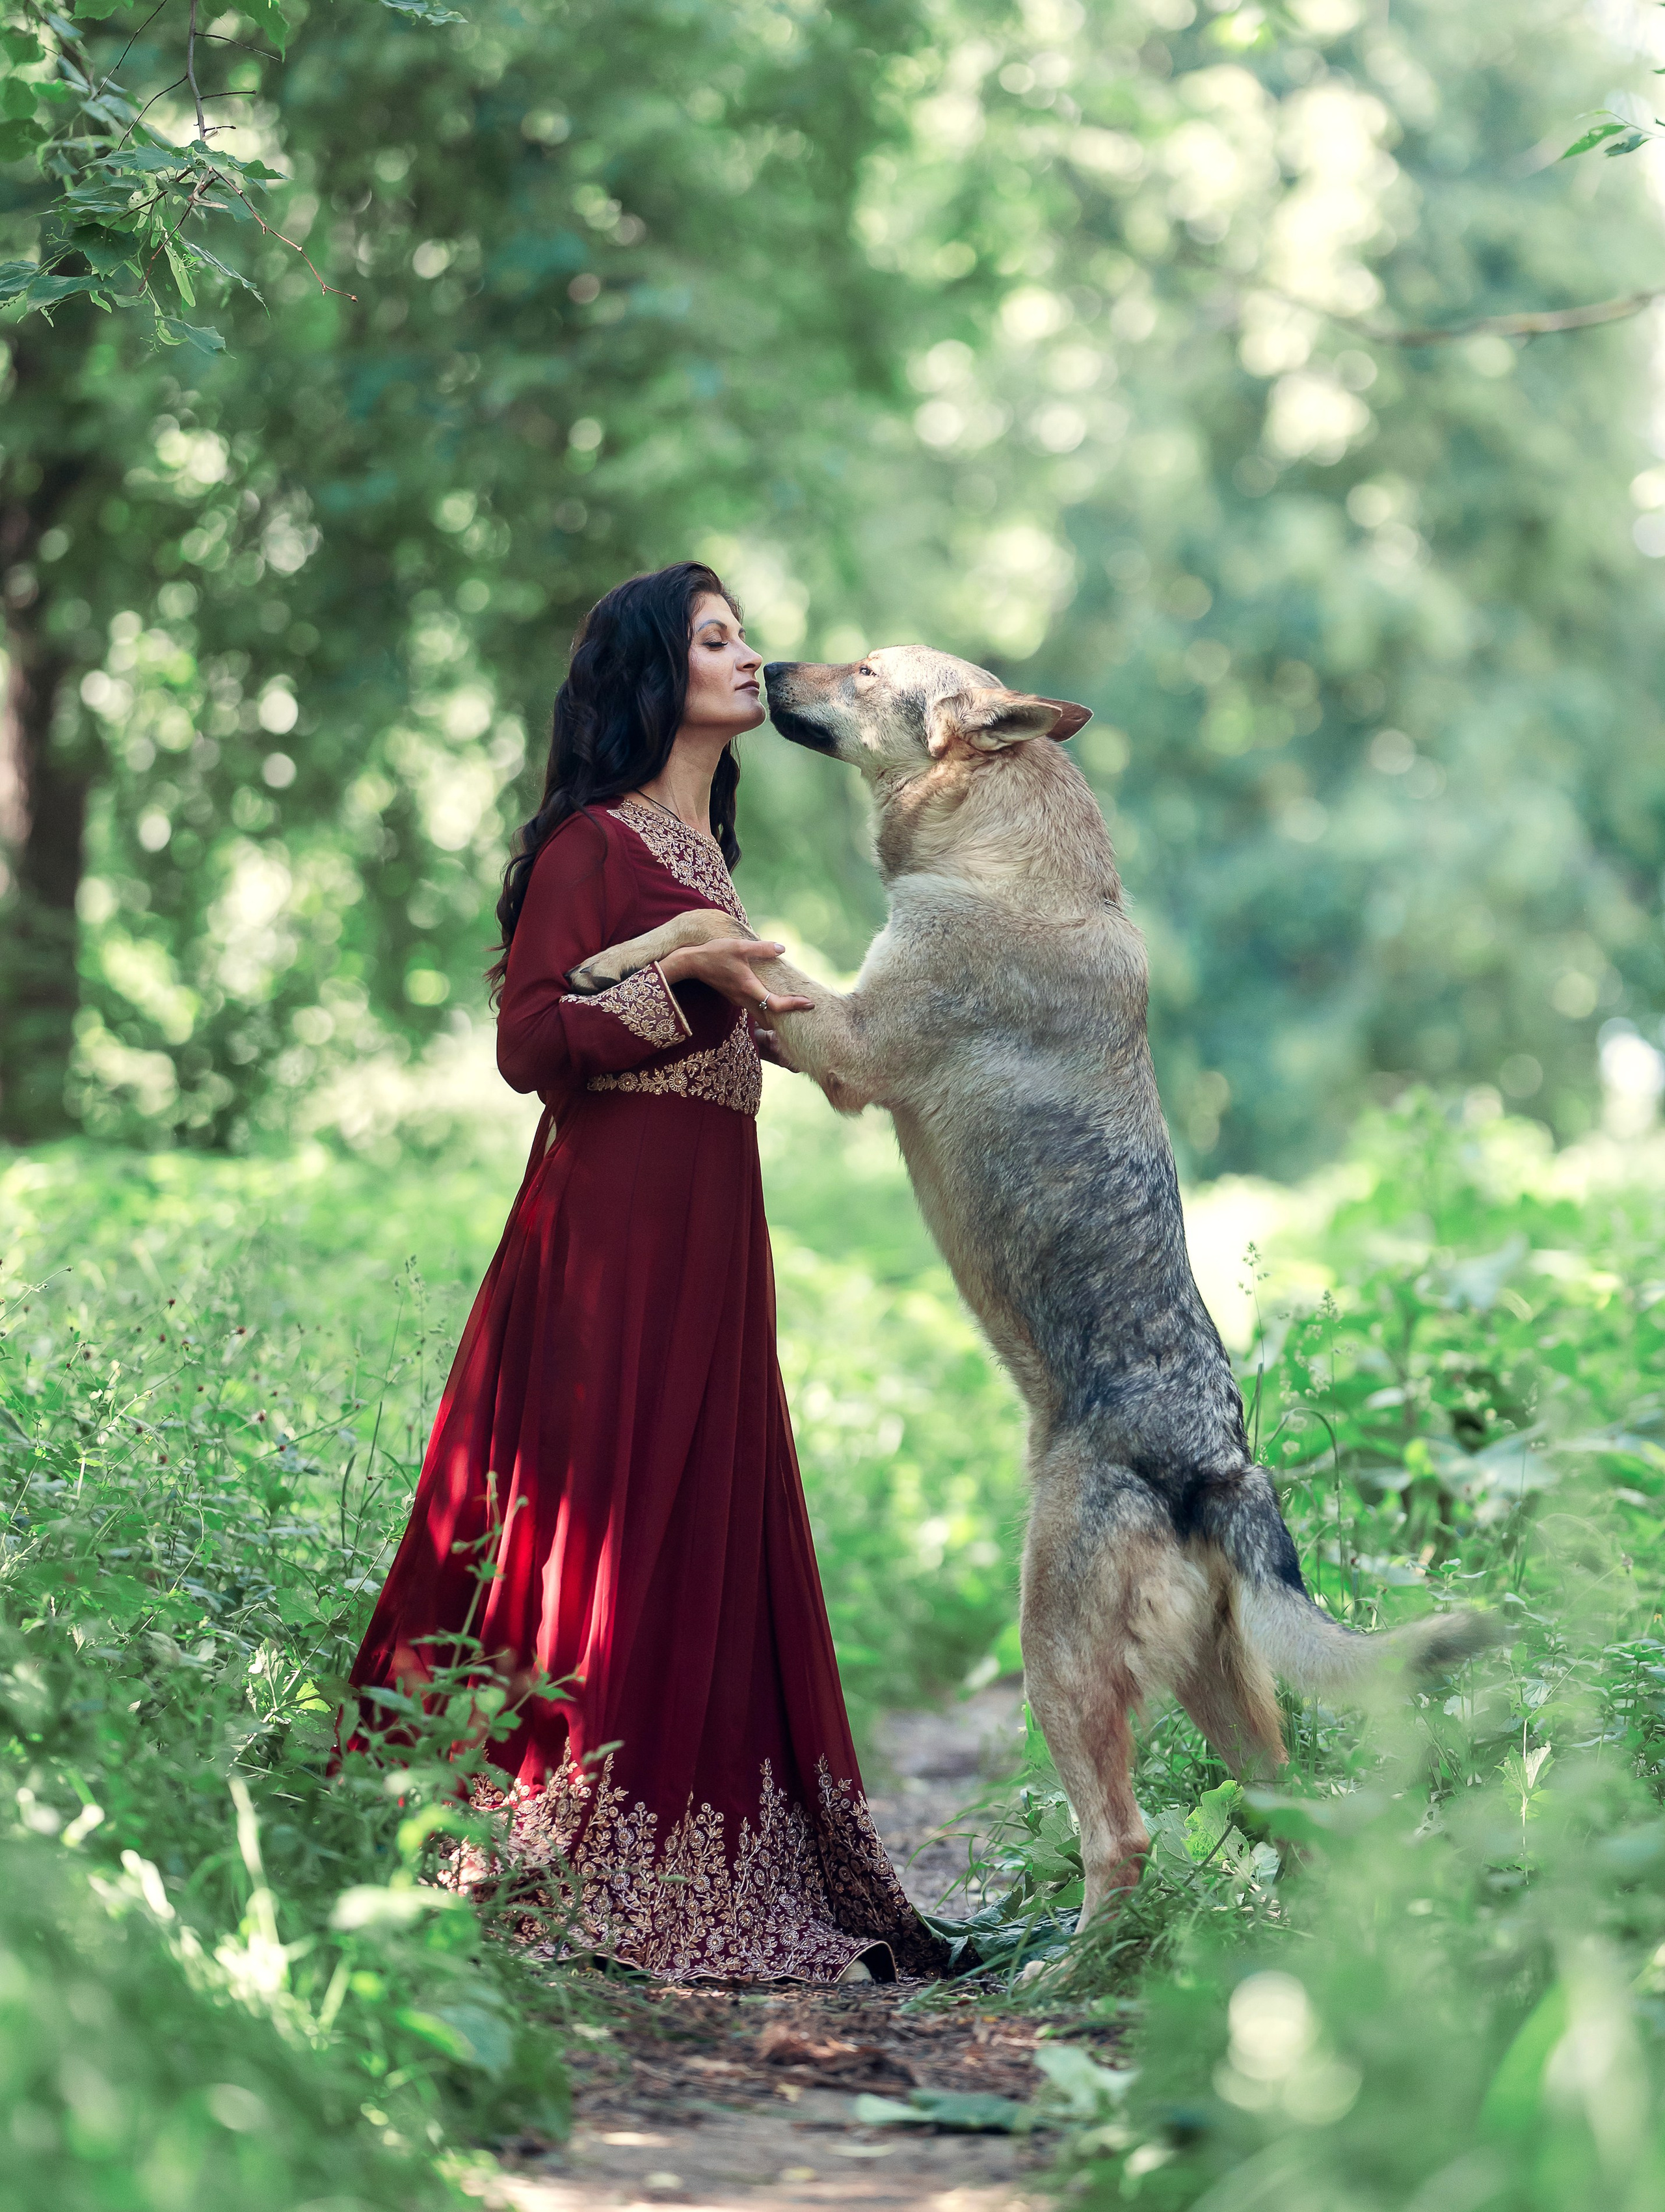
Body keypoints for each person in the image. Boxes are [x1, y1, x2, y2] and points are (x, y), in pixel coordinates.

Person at [349, 561, 946, 1981]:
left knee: (706, 1511)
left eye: (745, 638)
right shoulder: (589, 844)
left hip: (712, 1223)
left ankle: (702, 1837)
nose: (750, 659)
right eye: (716, 641)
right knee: (612, 1504)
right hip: (611, 1228)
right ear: (648, 675)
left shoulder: (701, 854)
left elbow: (746, 1035)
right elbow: (528, 1048)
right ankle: (559, 1832)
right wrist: (687, 970)